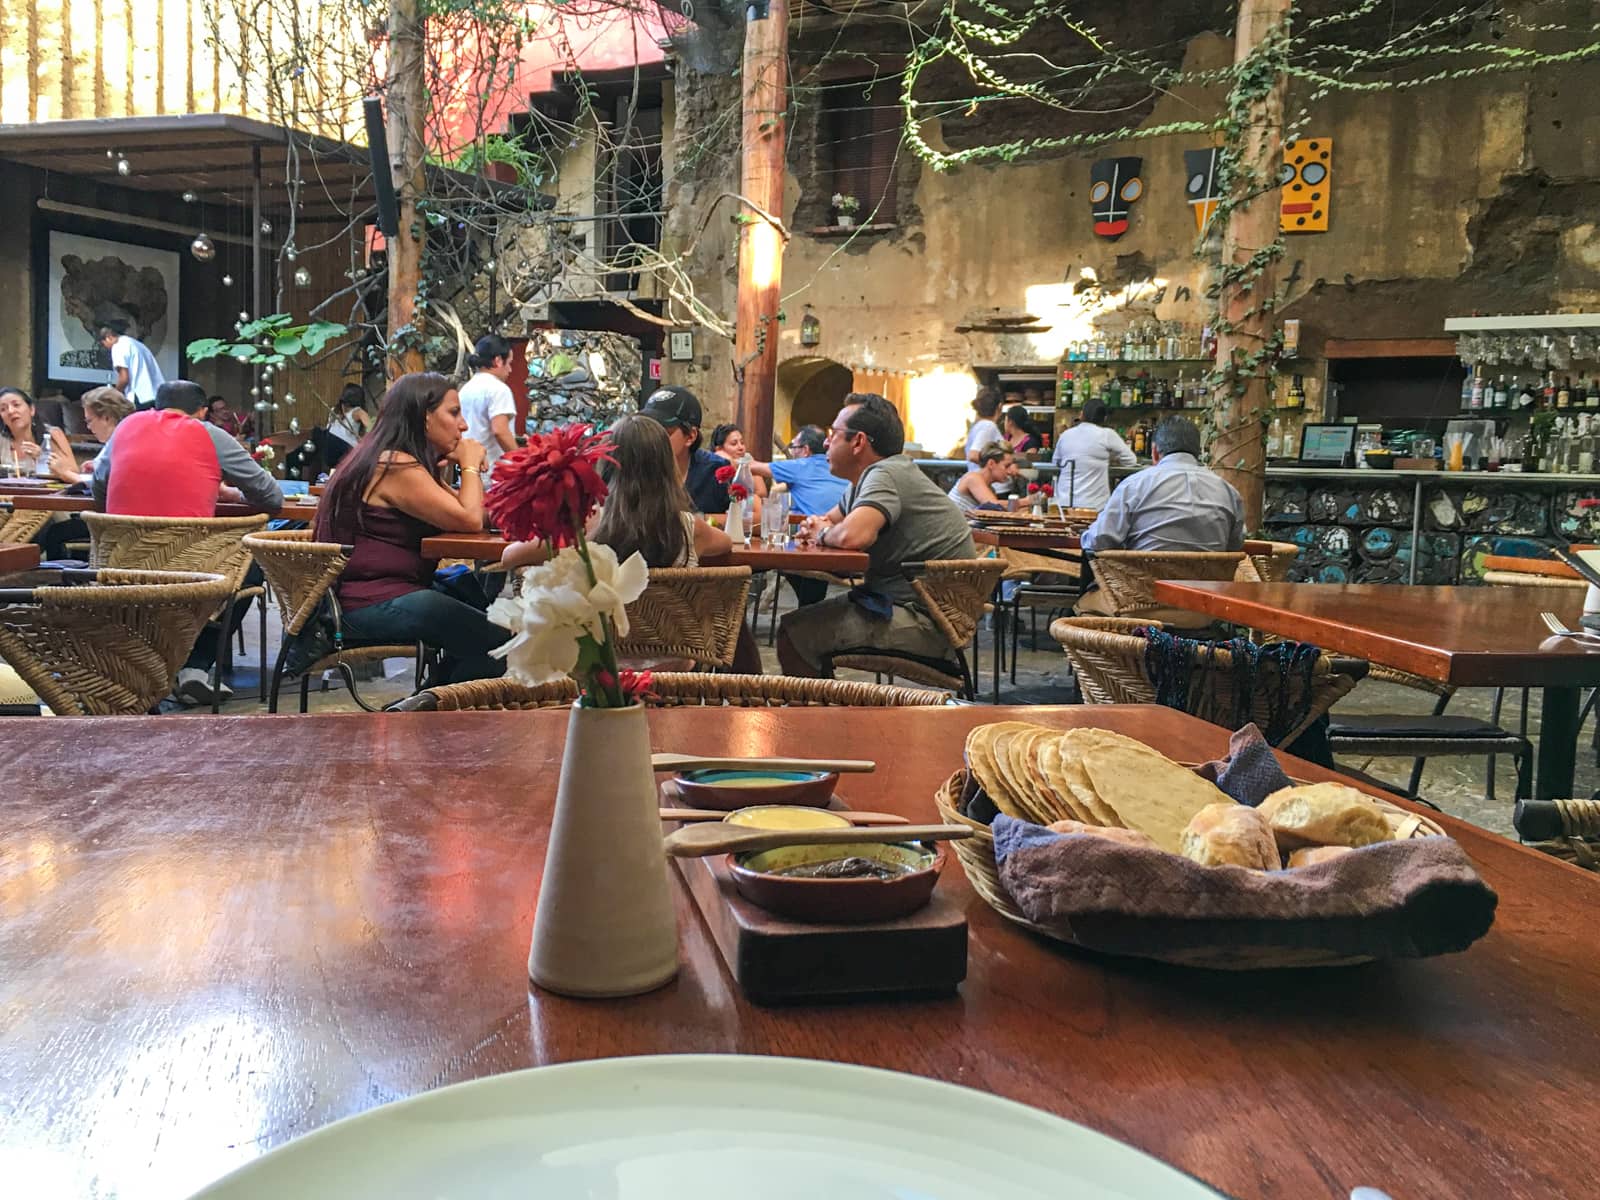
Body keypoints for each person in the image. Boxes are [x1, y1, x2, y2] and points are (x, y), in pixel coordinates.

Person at [92, 380, 284, 704]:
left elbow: (99, 487)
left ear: (155, 406)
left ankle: (132, 663)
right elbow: (272, 497)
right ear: (202, 412)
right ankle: (193, 668)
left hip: (120, 567)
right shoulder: (207, 433)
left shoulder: (126, 428)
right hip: (187, 569)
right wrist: (231, 493)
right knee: (250, 566)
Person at [313, 372, 509, 685]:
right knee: (500, 644)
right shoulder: (392, 465)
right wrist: (469, 465)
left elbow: (477, 515)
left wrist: (448, 477)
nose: (464, 425)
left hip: (384, 594)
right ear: (423, 417)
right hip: (364, 604)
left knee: (482, 623)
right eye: (454, 413)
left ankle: (426, 708)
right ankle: (425, 711)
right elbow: (471, 520)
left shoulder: (393, 460)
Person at [777, 393, 976, 678]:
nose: (825, 442)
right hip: (907, 608)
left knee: (794, 636)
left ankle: (816, 720)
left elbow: (852, 536)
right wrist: (821, 528)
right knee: (796, 630)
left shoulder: (885, 475)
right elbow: (827, 521)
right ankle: (823, 714)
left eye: (834, 433)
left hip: (929, 623)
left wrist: (823, 534)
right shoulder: (870, 479)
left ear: (858, 441)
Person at [1077, 417, 1244, 624]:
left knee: (1084, 600)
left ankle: (1116, 654)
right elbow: (1233, 549)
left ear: (1155, 451)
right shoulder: (1229, 493)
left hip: (1135, 609)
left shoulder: (1134, 486)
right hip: (1204, 611)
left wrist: (1084, 536)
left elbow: (1098, 541)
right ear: (1198, 451)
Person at [39, 387, 135, 558]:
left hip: (118, 521)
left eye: (90, 421)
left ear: (106, 417)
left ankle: (65, 582)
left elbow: (101, 486)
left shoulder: (119, 439)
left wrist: (66, 474)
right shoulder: (129, 435)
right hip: (130, 518)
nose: (89, 428)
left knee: (55, 533)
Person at [639, 385, 730, 515]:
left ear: (691, 436)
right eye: (648, 430)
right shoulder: (636, 466)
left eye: (663, 433)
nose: (652, 438)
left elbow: (752, 517)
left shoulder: (715, 470)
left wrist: (696, 522)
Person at [1051, 397, 1137, 510]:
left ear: (1081, 415)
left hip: (1065, 503)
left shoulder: (1066, 435)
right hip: (1094, 506)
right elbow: (1131, 460)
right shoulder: (1107, 434)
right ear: (1104, 418)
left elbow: (1056, 462)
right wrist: (1111, 458)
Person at [749, 425, 848, 516]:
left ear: (805, 450)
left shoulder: (800, 466)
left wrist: (741, 457)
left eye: (793, 447)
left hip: (819, 531)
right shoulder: (838, 466)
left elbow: (750, 466)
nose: (792, 452)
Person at [459, 335, 519, 477]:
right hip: (494, 473)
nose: (510, 370)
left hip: (469, 470)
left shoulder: (466, 389)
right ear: (498, 361)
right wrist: (521, 460)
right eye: (509, 363)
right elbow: (500, 430)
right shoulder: (499, 389)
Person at [0, 386, 77, 482]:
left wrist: (42, 457)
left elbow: (74, 471)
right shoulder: (2, 441)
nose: (10, 411)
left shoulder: (52, 434)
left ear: (31, 410)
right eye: (3, 409)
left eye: (16, 405)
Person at [97, 326, 165, 408]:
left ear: (108, 337)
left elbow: (124, 378)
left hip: (140, 397)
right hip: (157, 396)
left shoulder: (118, 346)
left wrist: (114, 394)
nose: (106, 348)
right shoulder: (137, 344)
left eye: (103, 344)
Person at [947, 442, 1024, 512]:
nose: (1009, 471)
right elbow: (994, 506)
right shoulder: (973, 478)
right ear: (991, 463)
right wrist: (1028, 501)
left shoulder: (990, 489)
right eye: (1006, 466)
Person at [325, 383, 373, 471]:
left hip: (331, 449)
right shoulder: (358, 412)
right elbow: (372, 429)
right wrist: (365, 440)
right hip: (346, 451)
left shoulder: (335, 410)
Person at [961, 387, 1004, 467]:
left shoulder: (978, 426)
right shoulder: (988, 426)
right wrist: (996, 466)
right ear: (999, 406)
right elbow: (973, 455)